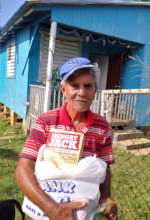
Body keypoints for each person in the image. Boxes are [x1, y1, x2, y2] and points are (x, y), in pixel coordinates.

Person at [15, 57, 118, 220]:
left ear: (94, 91)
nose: (82, 92)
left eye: (87, 86)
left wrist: (105, 197)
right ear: (63, 89)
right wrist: (52, 209)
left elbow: (105, 168)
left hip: (85, 212)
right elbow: (23, 168)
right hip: (46, 212)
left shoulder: (102, 126)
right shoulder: (46, 121)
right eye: (75, 86)